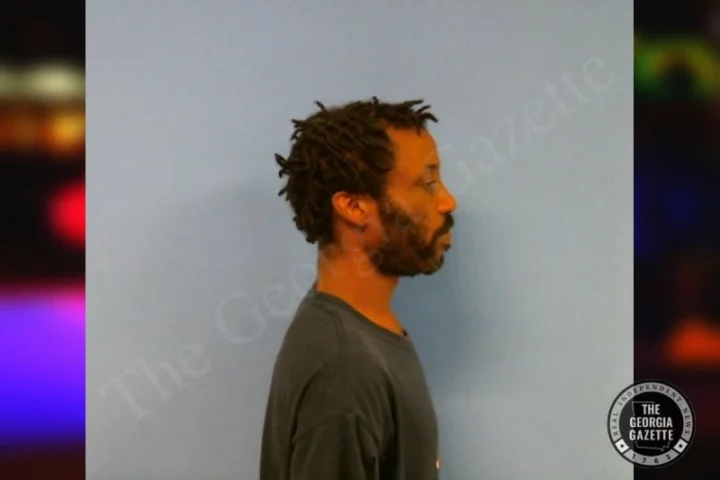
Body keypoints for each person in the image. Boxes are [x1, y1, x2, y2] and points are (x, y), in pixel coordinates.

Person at [259, 97, 457, 479]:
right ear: (353, 207)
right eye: (428, 183)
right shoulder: (346, 370)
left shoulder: (365, 334)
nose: (448, 201)